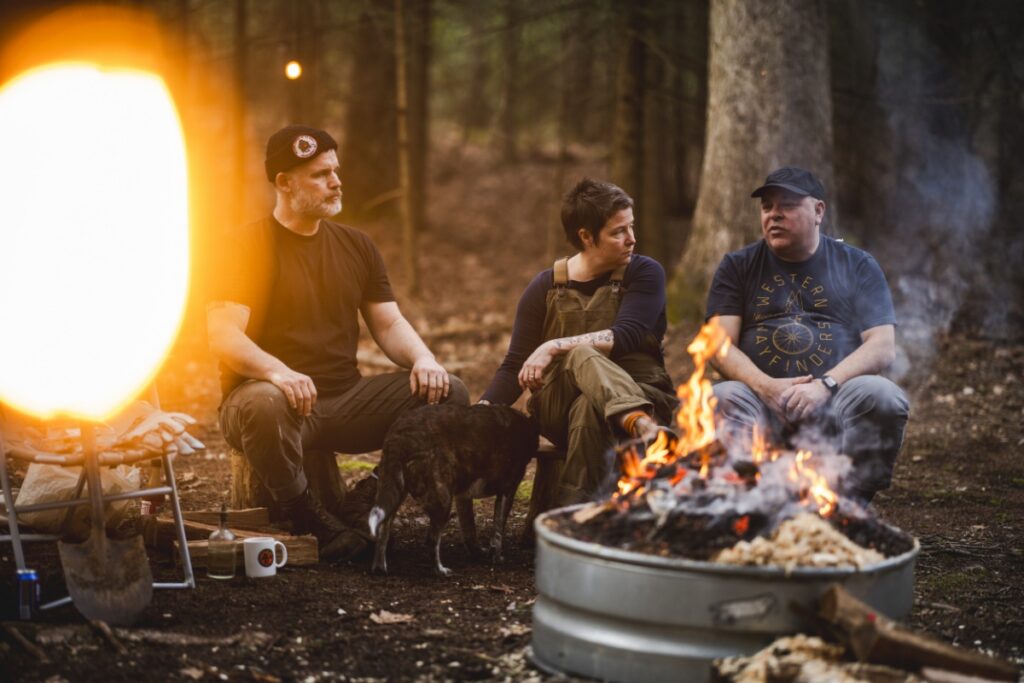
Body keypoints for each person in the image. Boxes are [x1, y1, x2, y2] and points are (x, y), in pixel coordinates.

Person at [207, 125, 469, 560]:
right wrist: (278, 372)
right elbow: (222, 334)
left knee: (449, 392)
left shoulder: (357, 245)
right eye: (320, 174)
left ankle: (364, 500)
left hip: (343, 400)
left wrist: (424, 358)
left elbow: (387, 325)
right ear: (284, 183)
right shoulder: (242, 247)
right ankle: (310, 518)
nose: (336, 181)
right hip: (267, 405)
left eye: (336, 170)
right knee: (263, 403)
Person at [705, 166, 909, 501]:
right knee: (721, 397)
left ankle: (849, 503)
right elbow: (718, 346)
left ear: (818, 211)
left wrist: (825, 385)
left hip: (835, 402)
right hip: (761, 403)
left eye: (787, 205)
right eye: (767, 206)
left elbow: (883, 347)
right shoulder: (738, 266)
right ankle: (747, 502)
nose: (774, 215)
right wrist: (765, 387)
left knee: (881, 395)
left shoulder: (857, 265)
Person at [480, 178, 678, 506]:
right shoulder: (544, 287)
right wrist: (482, 411)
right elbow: (515, 363)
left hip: (644, 393)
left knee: (591, 406)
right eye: (618, 232)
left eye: (632, 227)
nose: (632, 239)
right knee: (581, 355)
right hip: (561, 407)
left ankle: (569, 519)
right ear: (586, 236)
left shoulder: (644, 273)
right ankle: (641, 426)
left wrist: (554, 346)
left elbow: (626, 334)